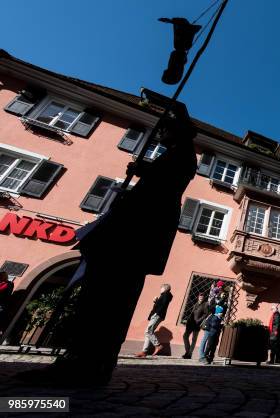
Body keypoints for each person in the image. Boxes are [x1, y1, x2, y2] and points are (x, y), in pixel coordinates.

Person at [14, 109, 198, 386]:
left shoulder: (181, 154)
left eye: (164, 129)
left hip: (130, 241)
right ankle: (90, 364)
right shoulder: (175, 154)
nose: (159, 134)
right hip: (132, 239)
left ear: (178, 131)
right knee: (106, 301)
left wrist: (143, 171)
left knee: (104, 301)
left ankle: (83, 364)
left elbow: (165, 186)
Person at [136, 284, 173, 357]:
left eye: (161, 288)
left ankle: (158, 345)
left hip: (157, 315)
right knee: (149, 333)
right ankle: (144, 352)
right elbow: (161, 305)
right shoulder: (164, 295)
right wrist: (156, 301)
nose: (160, 289)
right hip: (157, 315)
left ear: (165, 288)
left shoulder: (165, 295)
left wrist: (156, 313)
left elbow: (162, 306)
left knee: (148, 331)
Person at [182, 293, 208, 359]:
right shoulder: (196, 304)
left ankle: (189, 354)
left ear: (204, 297)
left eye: (202, 296)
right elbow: (191, 313)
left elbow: (205, 314)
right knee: (185, 336)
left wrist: (199, 320)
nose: (201, 297)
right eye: (200, 296)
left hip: (197, 324)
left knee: (194, 339)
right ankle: (187, 351)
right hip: (190, 323)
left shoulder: (205, 304)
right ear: (198, 297)